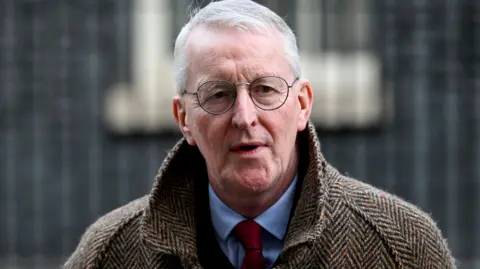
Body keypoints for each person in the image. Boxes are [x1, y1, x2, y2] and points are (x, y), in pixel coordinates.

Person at [64, 0, 457, 268]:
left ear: (303, 104)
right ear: (183, 117)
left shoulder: (402, 248)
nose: (244, 116)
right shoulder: (109, 253)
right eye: (217, 94)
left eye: (265, 89)